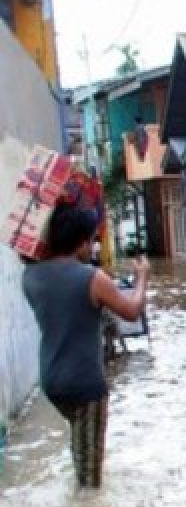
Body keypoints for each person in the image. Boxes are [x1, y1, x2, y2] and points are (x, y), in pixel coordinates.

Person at [22, 203, 149, 488]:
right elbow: (131, 311)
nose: (92, 247)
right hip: (85, 385)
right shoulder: (91, 278)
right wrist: (142, 278)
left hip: (52, 381)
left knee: (81, 452)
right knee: (90, 483)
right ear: (80, 242)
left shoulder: (30, 277)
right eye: (91, 240)